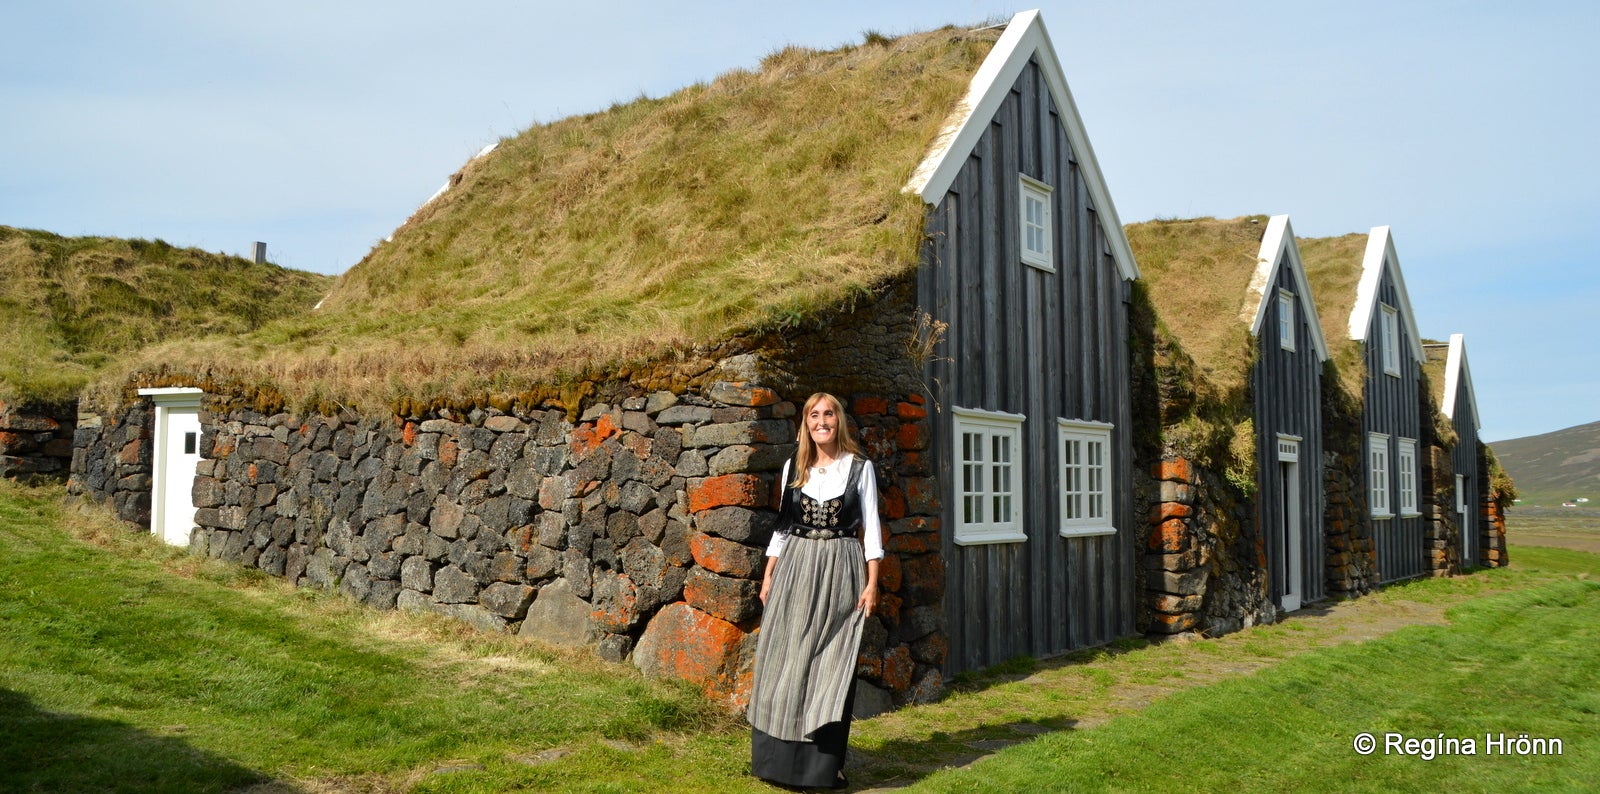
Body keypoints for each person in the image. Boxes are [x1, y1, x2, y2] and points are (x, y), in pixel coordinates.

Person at [748, 392, 883, 790]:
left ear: (839, 420)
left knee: (832, 661)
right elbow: (783, 525)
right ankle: (778, 762)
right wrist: (769, 574)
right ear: (806, 423)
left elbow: (871, 529)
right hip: (796, 565)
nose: (821, 421)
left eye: (828, 414)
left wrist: (872, 583)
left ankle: (826, 766)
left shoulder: (860, 468)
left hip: (842, 566)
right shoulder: (796, 465)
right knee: (786, 655)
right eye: (813, 415)